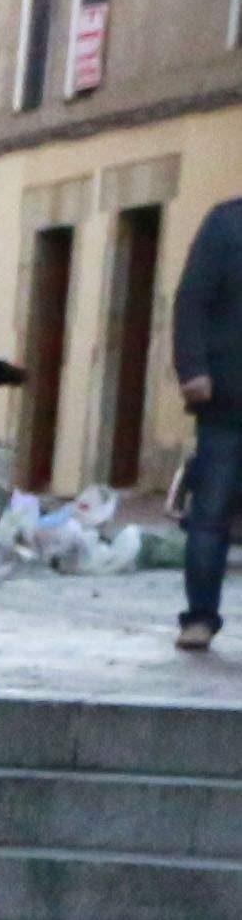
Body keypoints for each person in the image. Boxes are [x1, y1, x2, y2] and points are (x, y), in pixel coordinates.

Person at [173, 186, 242, 653]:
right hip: (227, 399)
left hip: (224, 393)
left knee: (211, 515)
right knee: (210, 513)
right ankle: (199, 618)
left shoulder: (225, 222)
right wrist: (193, 369)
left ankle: (199, 618)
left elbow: (190, 302)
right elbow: (192, 301)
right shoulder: (225, 225)